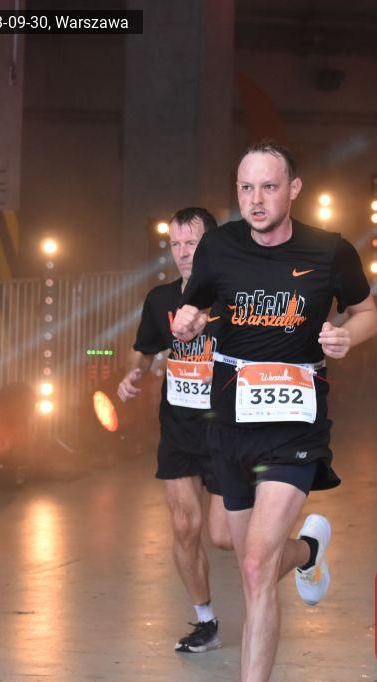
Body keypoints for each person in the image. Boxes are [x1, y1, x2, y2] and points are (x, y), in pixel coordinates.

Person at [172, 141, 377, 681]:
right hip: (231, 424)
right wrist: (189, 322)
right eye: (246, 188)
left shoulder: (329, 251)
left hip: (294, 426)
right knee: (248, 563)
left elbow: (368, 312)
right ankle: (308, 551)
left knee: (255, 566)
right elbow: (196, 305)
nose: (256, 199)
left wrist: (347, 335)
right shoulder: (219, 246)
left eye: (268, 187)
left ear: (294, 189)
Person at [117, 207, 232, 653]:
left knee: (225, 537)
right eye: (176, 244)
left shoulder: (233, 297)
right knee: (185, 525)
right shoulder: (160, 300)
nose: (183, 253)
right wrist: (134, 373)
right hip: (179, 428)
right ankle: (206, 621)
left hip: (227, 430)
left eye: (192, 243)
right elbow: (144, 350)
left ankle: (304, 551)